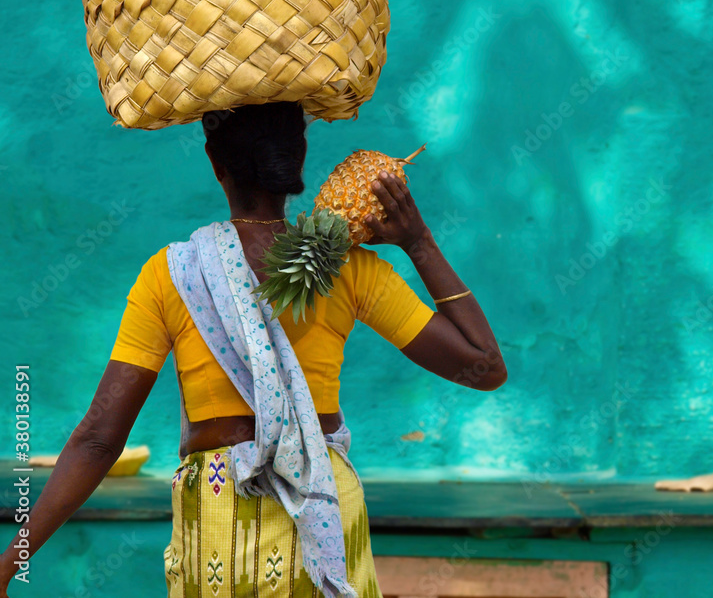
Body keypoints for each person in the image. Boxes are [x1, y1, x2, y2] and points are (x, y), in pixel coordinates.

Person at [0, 101, 506, 597]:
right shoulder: (348, 270)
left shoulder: (172, 275)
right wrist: (418, 241)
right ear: (298, 160)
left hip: (218, 516)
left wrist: (10, 561)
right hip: (322, 508)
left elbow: (98, 441)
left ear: (215, 163)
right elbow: (484, 367)